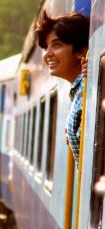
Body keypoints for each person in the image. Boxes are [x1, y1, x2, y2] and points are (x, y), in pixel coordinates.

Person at [33, 9, 90, 166]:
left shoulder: (89, 92)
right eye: (46, 48)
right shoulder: (80, 92)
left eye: (56, 45)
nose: (47, 54)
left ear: (81, 51)